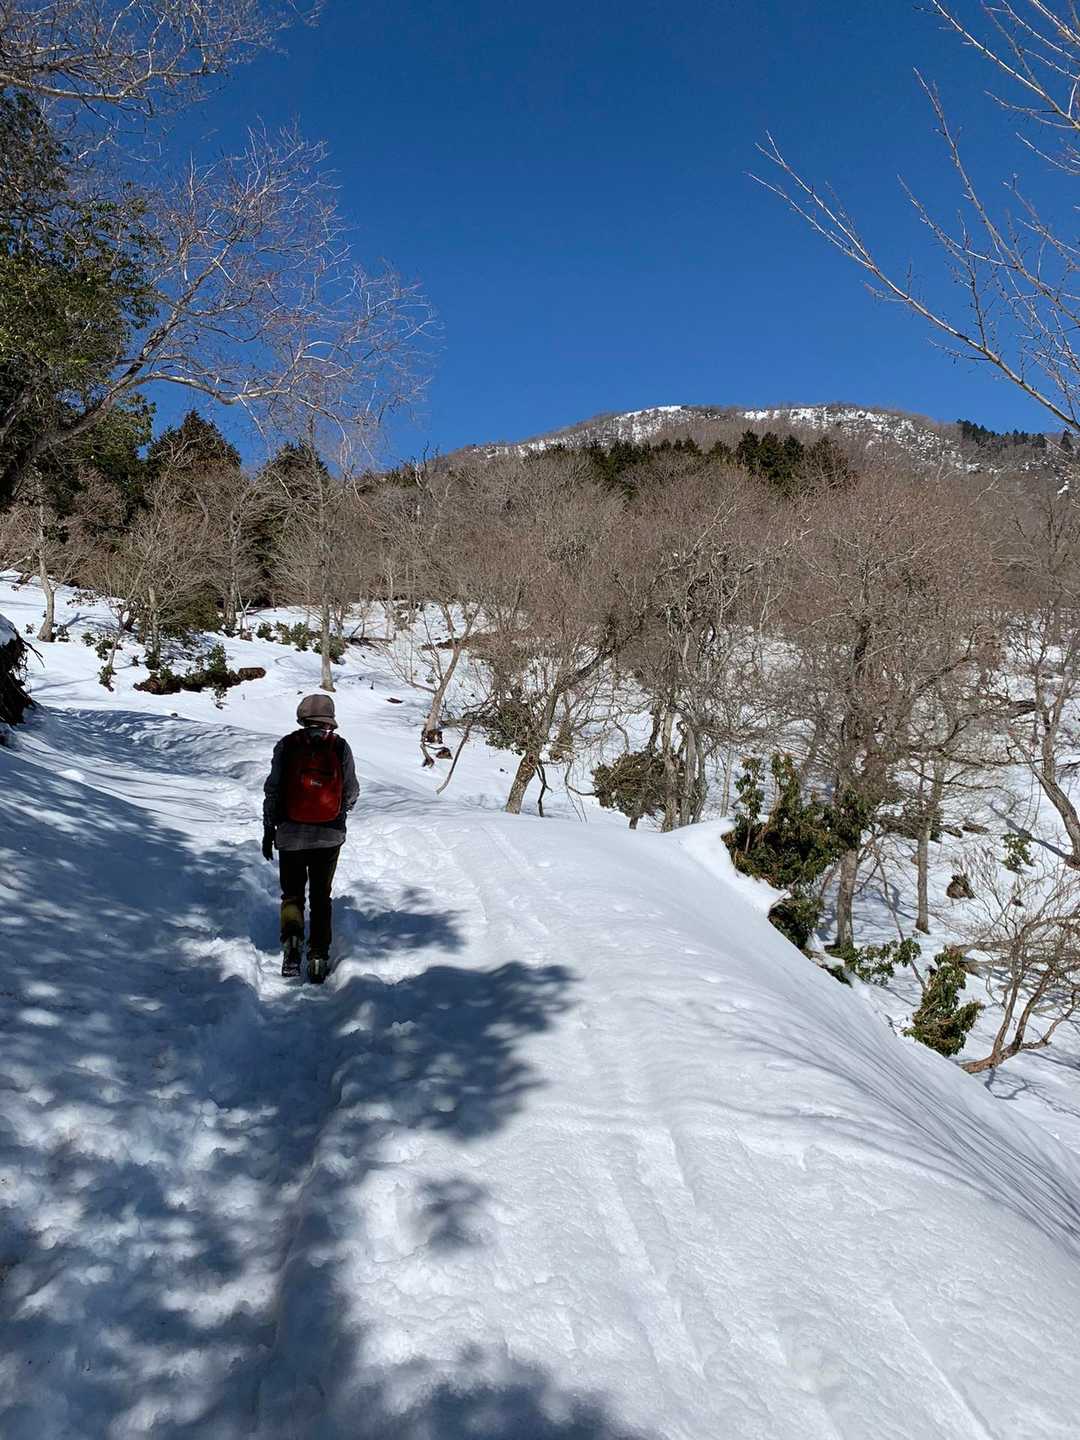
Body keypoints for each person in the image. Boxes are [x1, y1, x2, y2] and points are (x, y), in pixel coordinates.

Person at [262, 694, 359, 982]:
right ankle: (318, 957)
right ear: (330, 720)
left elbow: (272, 789)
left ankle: (292, 946)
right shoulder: (339, 747)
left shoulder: (287, 745)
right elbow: (352, 791)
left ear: (302, 718)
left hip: (290, 834)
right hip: (329, 835)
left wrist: (269, 829)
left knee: (292, 894)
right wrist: (338, 813)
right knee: (320, 897)